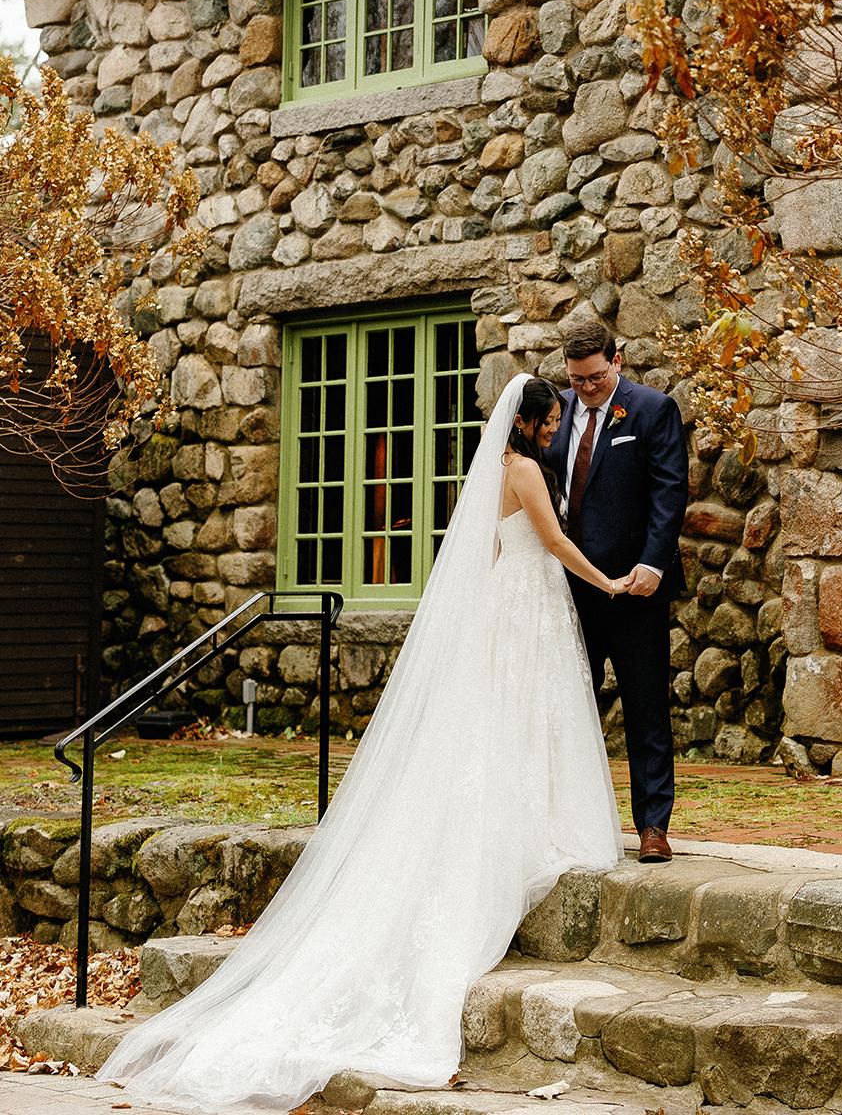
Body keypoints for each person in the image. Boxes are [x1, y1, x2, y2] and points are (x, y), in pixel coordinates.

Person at [99, 374, 627, 1115]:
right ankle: (537, 821)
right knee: (529, 718)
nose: (553, 428)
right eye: (550, 419)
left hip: (512, 601)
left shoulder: (492, 474)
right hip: (531, 604)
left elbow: (482, 556)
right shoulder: (527, 471)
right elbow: (554, 541)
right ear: (534, 422)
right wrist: (606, 582)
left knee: (516, 722)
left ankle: (530, 809)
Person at [545, 317, 689, 865]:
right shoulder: (554, 411)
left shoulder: (652, 409)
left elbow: (669, 491)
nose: (586, 390)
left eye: (596, 379)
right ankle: (564, 820)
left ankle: (653, 825)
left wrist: (652, 564)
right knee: (565, 704)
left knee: (646, 706)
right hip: (570, 588)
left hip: (634, 588)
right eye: (577, 379)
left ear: (618, 361)